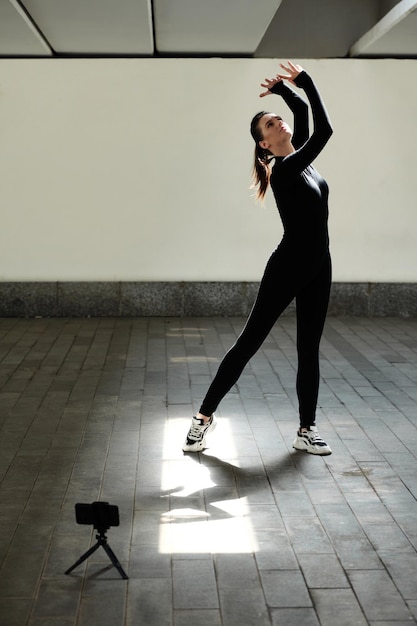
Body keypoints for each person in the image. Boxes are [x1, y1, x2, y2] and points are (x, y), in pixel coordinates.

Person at [183, 61, 333, 455]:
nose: (279, 124)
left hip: (320, 265)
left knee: (309, 349)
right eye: (269, 125)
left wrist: (284, 92)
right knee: (249, 343)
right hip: (287, 267)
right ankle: (202, 420)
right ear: (264, 144)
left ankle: (306, 429)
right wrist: (307, 81)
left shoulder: (301, 158)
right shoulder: (284, 170)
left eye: (276, 121)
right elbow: (326, 129)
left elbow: (301, 114)